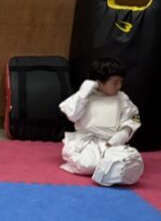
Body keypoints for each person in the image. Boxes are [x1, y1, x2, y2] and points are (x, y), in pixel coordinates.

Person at [59, 56, 144, 186]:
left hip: (111, 142)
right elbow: (72, 116)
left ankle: (111, 167)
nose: (119, 86)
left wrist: (120, 137)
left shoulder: (122, 98)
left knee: (128, 161)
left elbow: (133, 119)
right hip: (87, 142)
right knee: (88, 165)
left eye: (121, 81)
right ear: (100, 82)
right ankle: (93, 164)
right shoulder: (85, 96)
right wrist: (82, 94)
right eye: (115, 82)